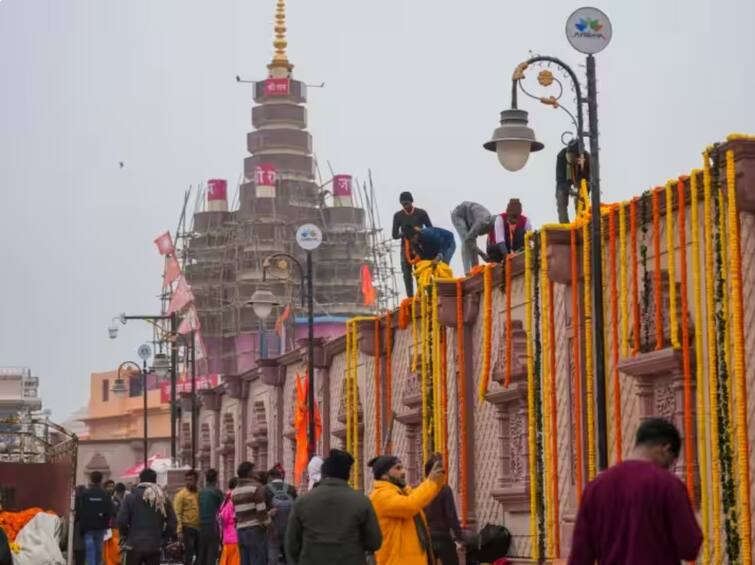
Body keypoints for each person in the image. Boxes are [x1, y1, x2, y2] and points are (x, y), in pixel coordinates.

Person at [568, 418, 703, 565]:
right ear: (665, 449)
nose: (669, 467)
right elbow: (689, 546)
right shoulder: (669, 485)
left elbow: (580, 555)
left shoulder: (596, 488)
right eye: (671, 461)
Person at [285, 449, 382, 565]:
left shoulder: (303, 501)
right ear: (347, 475)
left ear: (323, 473)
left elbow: (291, 544)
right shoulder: (361, 501)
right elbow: (374, 542)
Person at [368, 455, 445, 565]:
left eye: (402, 468)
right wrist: (431, 482)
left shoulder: (403, 492)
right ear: (384, 475)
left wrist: (438, 480)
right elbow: (410, 505)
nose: (403, 472)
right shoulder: (380, 496)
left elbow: (419, 497)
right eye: (398, 468)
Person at [118, 468, 177, 565]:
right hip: (155, 544)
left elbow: (122, 521)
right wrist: (164, 538)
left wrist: (125, 535)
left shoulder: (130, 498)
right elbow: (172, 522)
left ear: (140, 480)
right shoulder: (162, 498)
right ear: (155, 480)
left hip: (134, 544)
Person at [423, 455, 463, 565]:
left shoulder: (419, 490)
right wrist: (459, 537)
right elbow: (451, 516)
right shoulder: (445, 490)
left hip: (426, 539)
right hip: (443, 537)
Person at [392, 191, 432, 298]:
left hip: (420, 246)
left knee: (421, 271)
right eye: (403, 204)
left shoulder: (421, 213)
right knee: (406, 272)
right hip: (405, 247)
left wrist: (419, 231)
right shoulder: (398, 216)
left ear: (411, 202)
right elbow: (394, 235)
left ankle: (422, 295)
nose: (406, 206)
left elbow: (431, 229)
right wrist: (404, 233)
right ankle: (410, 297)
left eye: (407, 203)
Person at [232, 461, 270, 565]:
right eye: (254, 470)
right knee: (257, 560)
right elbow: (261, 510)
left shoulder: (235, 491)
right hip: (255, 530)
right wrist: (268, 523)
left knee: (245, 561)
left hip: (241, 531)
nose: (256, 472)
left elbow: (235, 513)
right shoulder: (256, 487)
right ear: (249, 473)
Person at [76, 470, 115, 565]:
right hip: (100, 527)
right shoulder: (105, 494)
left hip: (87, 527)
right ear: (101, 480)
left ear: (91, 479)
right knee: (98, 551)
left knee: (90, 551)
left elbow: (79, 510)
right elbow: (110, 511)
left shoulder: (85, 494)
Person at [450, 202, 495, 274]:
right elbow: (468, 240)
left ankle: (475, 269)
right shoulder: (482, 223)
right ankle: (467, 272)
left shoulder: (490, 223)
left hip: (470, 217)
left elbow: (473, 243)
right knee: (466, 241)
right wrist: (483, 254)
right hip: (458, 215)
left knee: (472, 243)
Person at [265, 466, 297, 564]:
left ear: (270, 477)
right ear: (280, 476)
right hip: (289, 527)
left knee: (273, 551)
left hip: (272, 527)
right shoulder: (291, 488)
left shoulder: (265, 489)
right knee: (289, 554)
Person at [555, 139, 590, 223]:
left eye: (573, 157)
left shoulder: (587, 158)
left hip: (581, 181)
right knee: (561, 198)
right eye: (569, 156)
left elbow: (591, 178)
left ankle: (581, 220)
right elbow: (560, 180)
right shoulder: (561, 156)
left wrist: (585, 187)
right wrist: (569, 190)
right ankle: (564, 224)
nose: (570, 159)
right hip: (564, 182)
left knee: (581, 200)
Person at [174, 470, 201, 565]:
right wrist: (179, 530)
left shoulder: (199, 493)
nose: (188, 482)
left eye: (191, 480)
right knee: (188, 554)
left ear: (196, 480)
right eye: (187, 480)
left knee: (200, 554)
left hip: (199, 527)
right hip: (187, 528)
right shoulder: (181, 495)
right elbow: (177, 513)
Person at [198, 468, 224, 565]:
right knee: (211, 553)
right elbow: (223, 509)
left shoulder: (201, 493)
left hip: (200, 525)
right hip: (213, 526)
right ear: (216, 479)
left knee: (202, 554)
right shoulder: (217, 492)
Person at [219, 478, 240, 565]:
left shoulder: (226, 499)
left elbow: (221, 517)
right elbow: (224, 517)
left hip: (227, 537)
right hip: (234, 538)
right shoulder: (233, 500)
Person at [103, 480, 124, 565]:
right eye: (109, 486)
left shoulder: (117, 500)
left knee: (115, 549)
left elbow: (121, 511)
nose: (111, 488)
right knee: (106, 551)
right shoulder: (103, 498)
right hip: (106, 528)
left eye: (112, 486)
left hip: (115, 528)